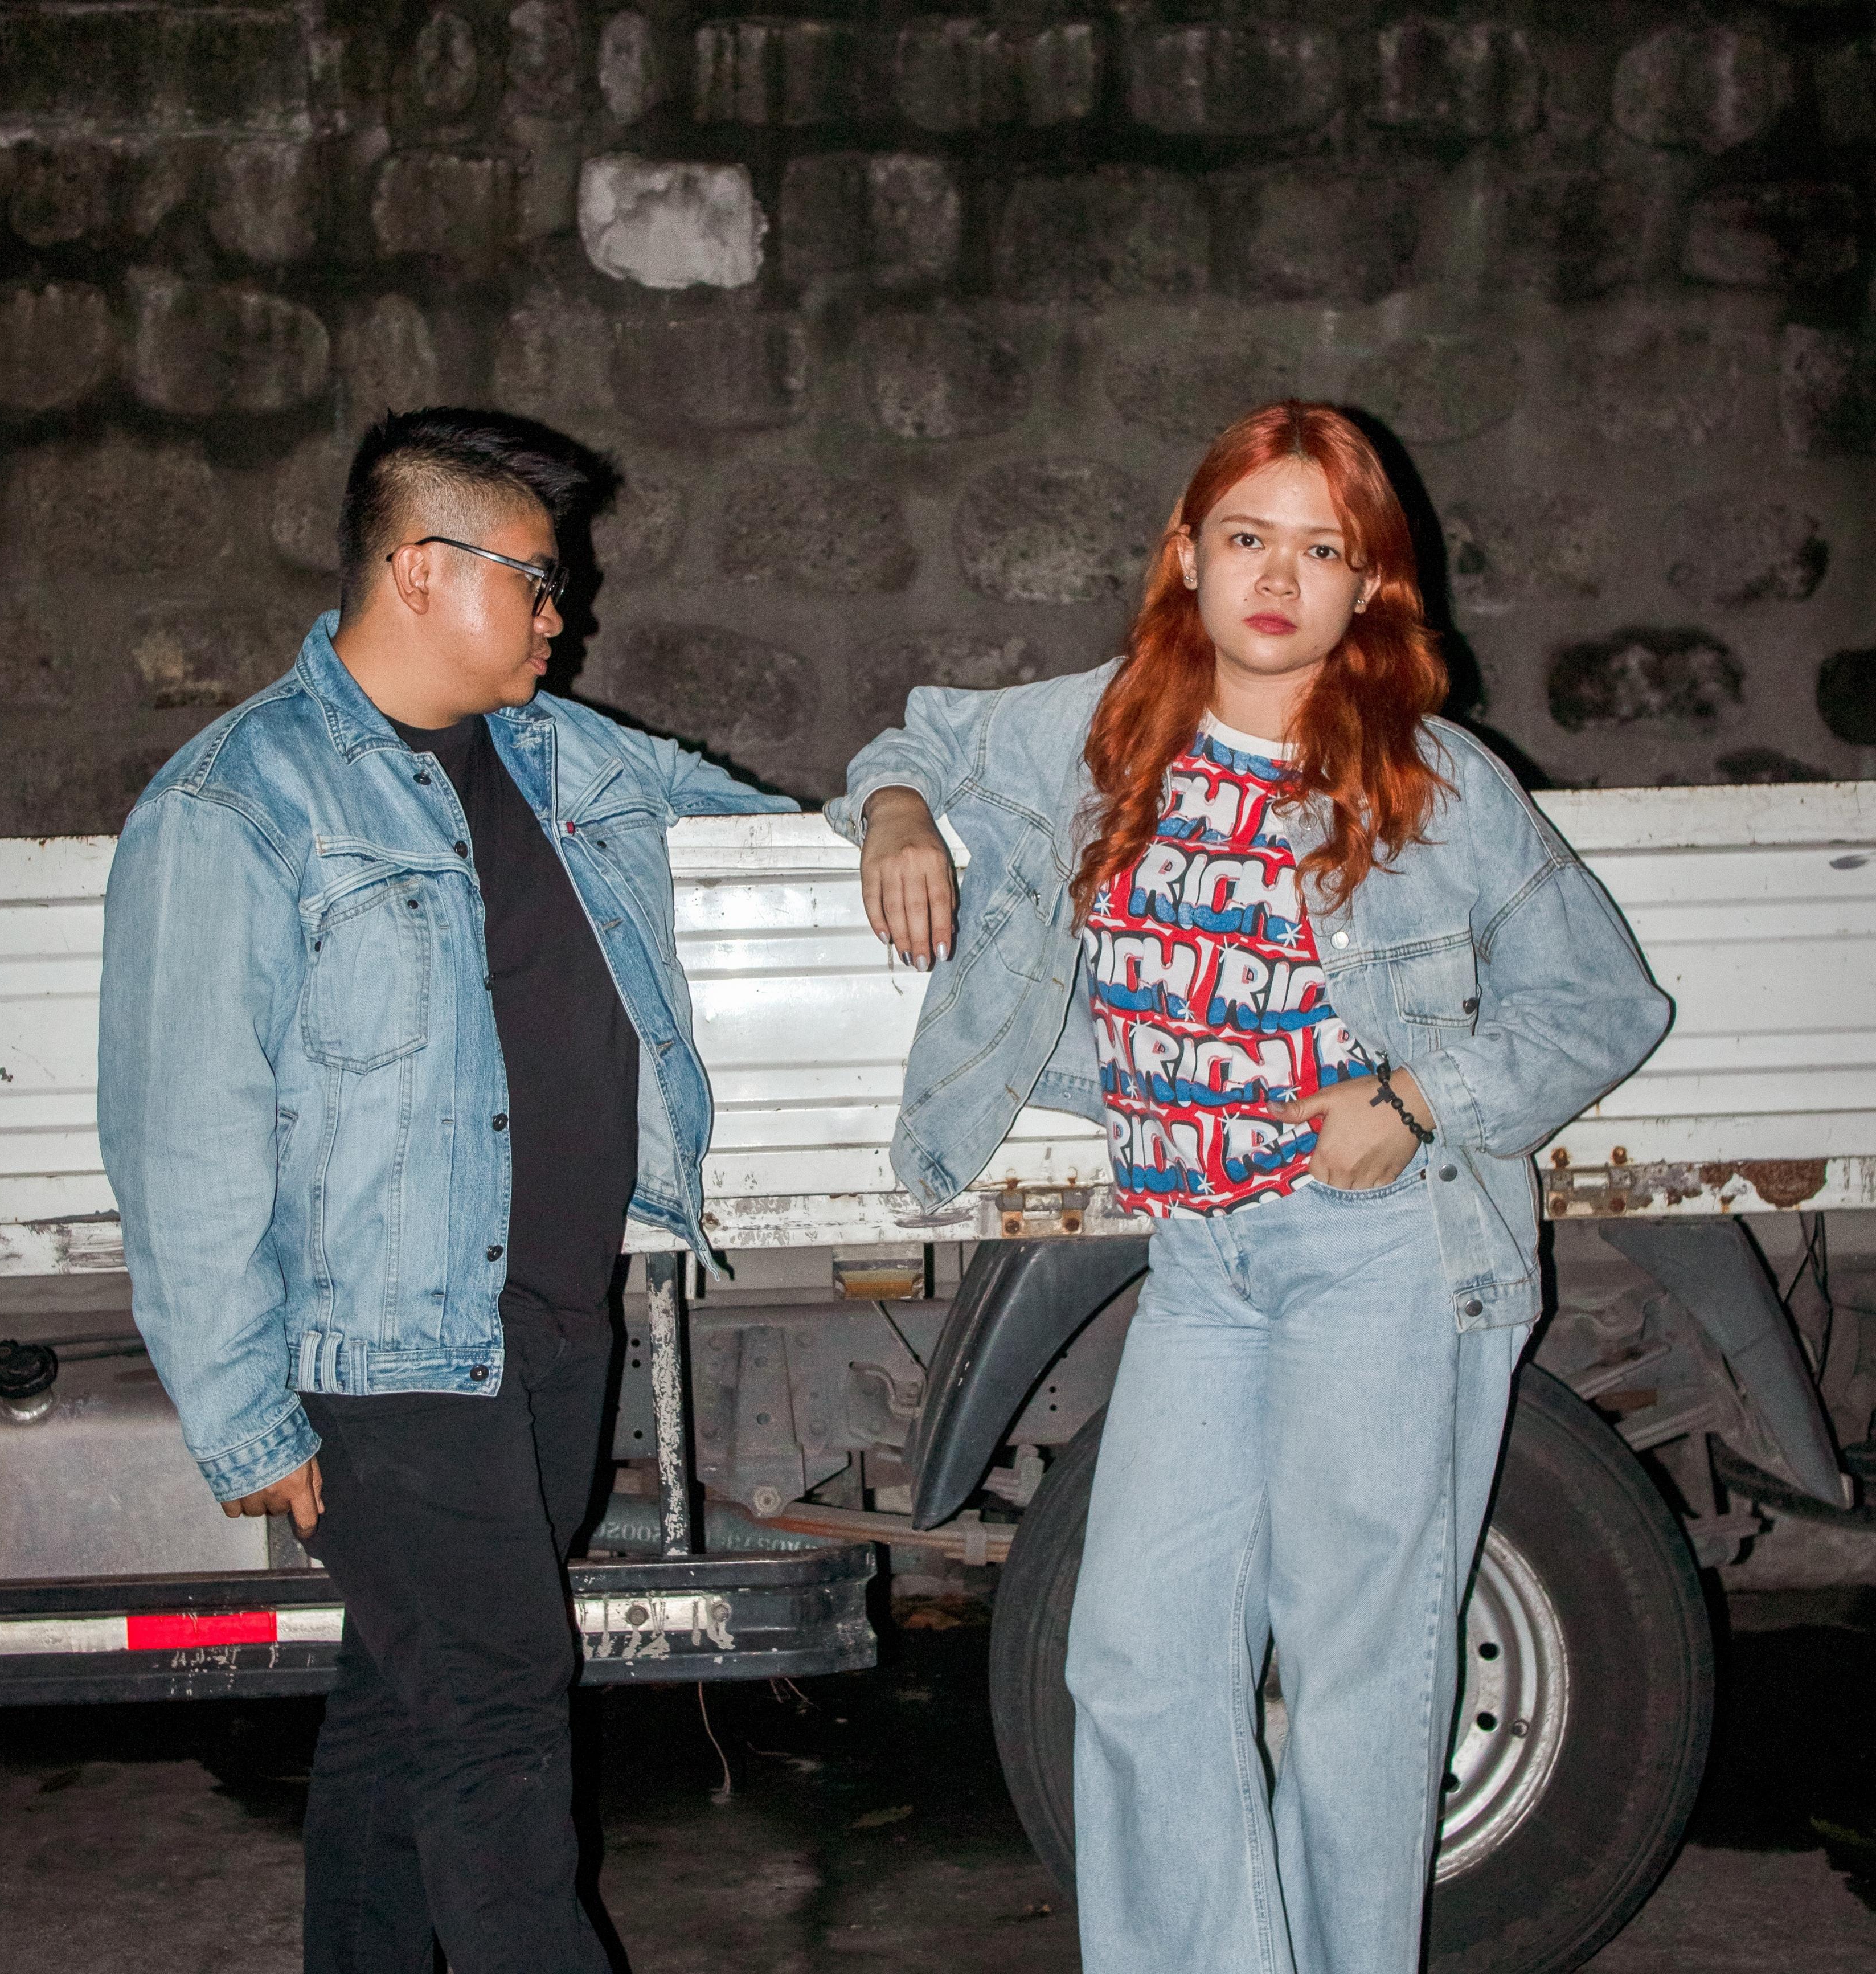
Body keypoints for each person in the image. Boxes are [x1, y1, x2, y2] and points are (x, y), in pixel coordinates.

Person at [829, 402, 1670, 1974]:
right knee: (1138, 1658)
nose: (1275, 577)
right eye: (1245, 537)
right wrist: (893, 816)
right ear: (1186, 556)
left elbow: (1602, 1000)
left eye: (1321, 549)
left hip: (1381, 1256)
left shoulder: (1435, 785)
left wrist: (1420, 1099)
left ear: (1370, 592)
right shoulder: (1103, 730)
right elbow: (914, 737)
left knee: (1358, 1675)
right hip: (1200, 1262)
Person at [97, 407, 795, 1974]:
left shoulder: (559, 757)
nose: (568, 615)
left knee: (403, 1712)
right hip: (386, 1354)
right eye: (538, 582)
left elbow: (761, 828)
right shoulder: (235, 807)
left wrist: (889, 816)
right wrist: (244, 1416)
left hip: (547, 1332)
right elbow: (180, 1140)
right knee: (494, 1723)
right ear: (419, 569)